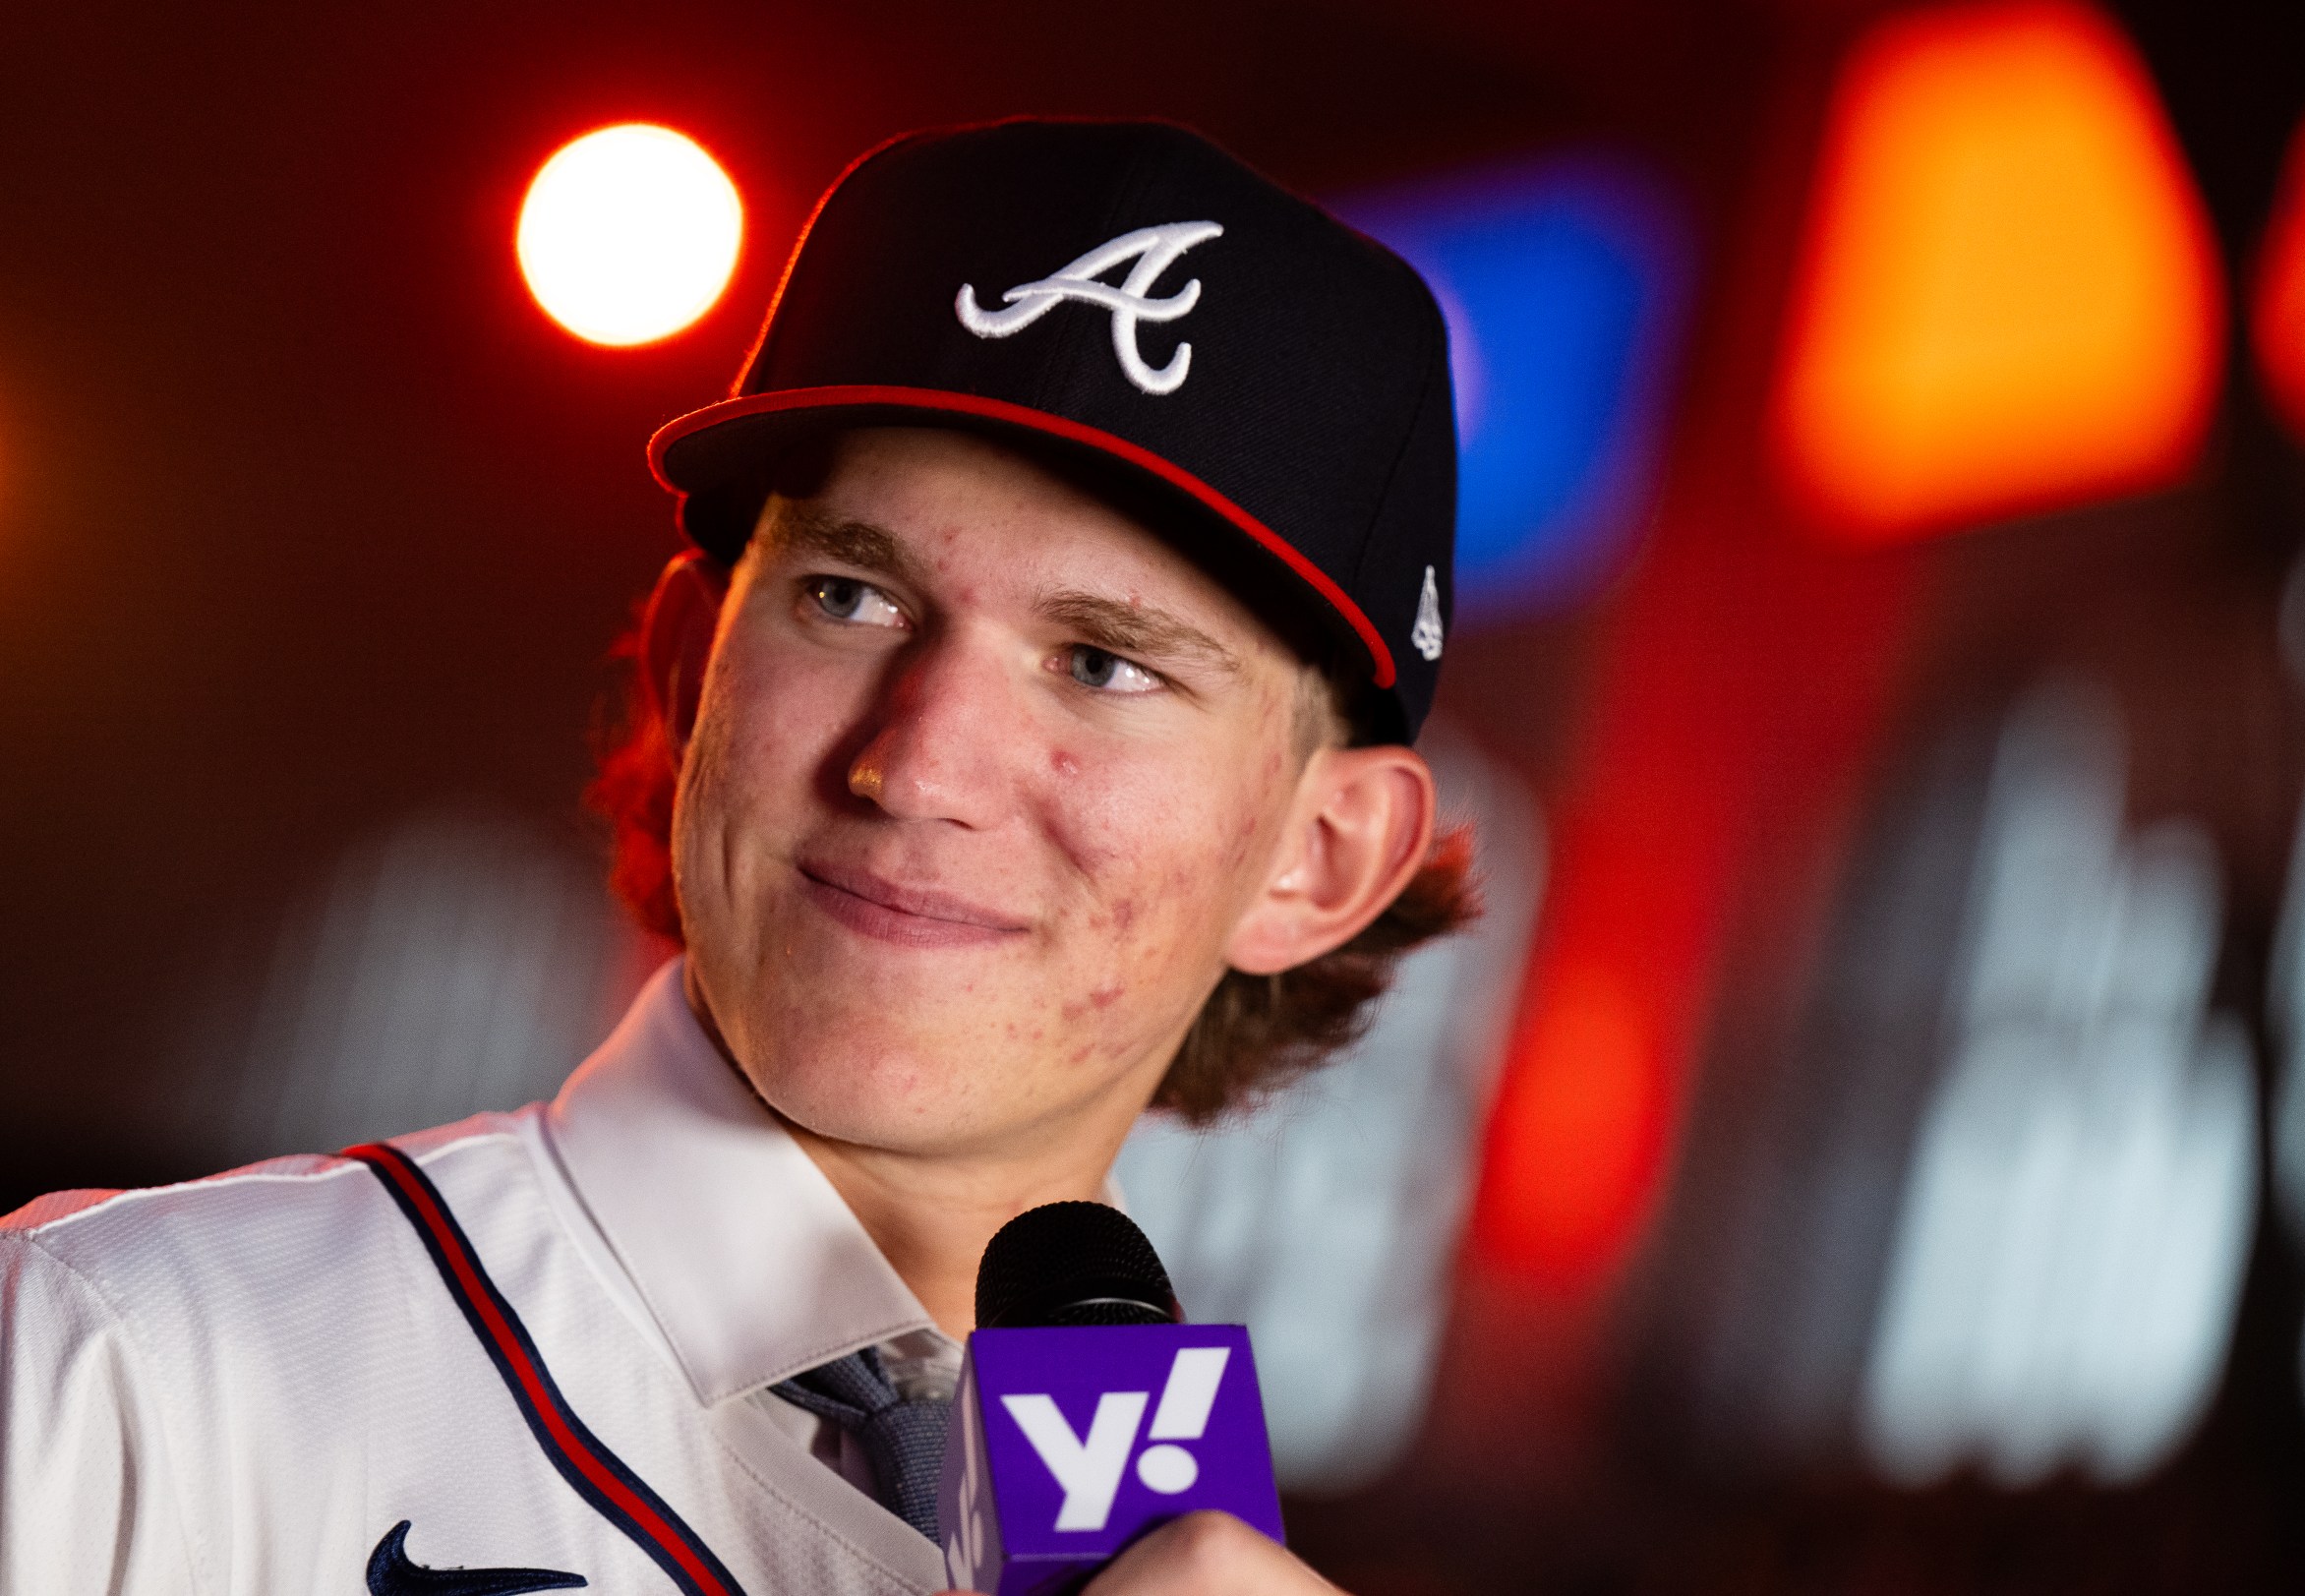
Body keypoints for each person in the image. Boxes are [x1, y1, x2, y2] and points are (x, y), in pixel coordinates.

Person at [0, 119, 1469, 1596]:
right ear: (694, 672)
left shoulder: (1187, 1543)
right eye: (849, 594)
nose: (917, 764)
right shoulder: (120, 1356)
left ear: (1317, 858)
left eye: (1102, 664)